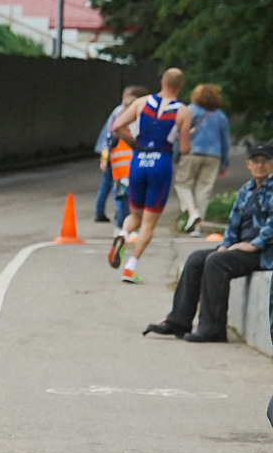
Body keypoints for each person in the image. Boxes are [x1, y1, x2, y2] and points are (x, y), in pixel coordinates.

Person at [145, 140, 273, 342]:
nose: (260, 165)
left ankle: (213, 329)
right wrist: (225, 244)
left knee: (216, 262)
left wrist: (254, 244)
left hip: (264, 253)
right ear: (248, 164)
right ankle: (178, 321)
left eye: (265, 160)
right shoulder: (247, 190)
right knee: (197, 258)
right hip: (239, 249)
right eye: (255, 160)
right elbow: (233, 223)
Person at [109, 66, 186, 284]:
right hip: (161, 161)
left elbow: (117, 126)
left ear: (162, 82)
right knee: (149, 223)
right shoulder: (182, 111)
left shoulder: (141, 103)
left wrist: (135, 143)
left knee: (135, 215)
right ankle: (130, 268)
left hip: (139, 160)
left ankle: (122, 235)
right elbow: (186, 148)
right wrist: (184, 135)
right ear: (180, 86)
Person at [175, 82, 231, 235]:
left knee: (182, 185)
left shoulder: (190, 110)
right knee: (204, 190)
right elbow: (226, 141)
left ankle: (192, 213)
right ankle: (198, 227)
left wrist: (175, 156)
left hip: (191, 153)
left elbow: (181, 134)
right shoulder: (220, 115)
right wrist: (224, 164)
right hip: (214, 156)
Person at [95, 84, 143, 226]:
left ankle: (122, 222)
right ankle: (121, 224)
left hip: (127, 168)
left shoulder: (133, 120)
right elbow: (109, 140)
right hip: (121, 168)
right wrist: (105, 160)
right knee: (121, 196)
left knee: (123, 195)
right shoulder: (121, 118)